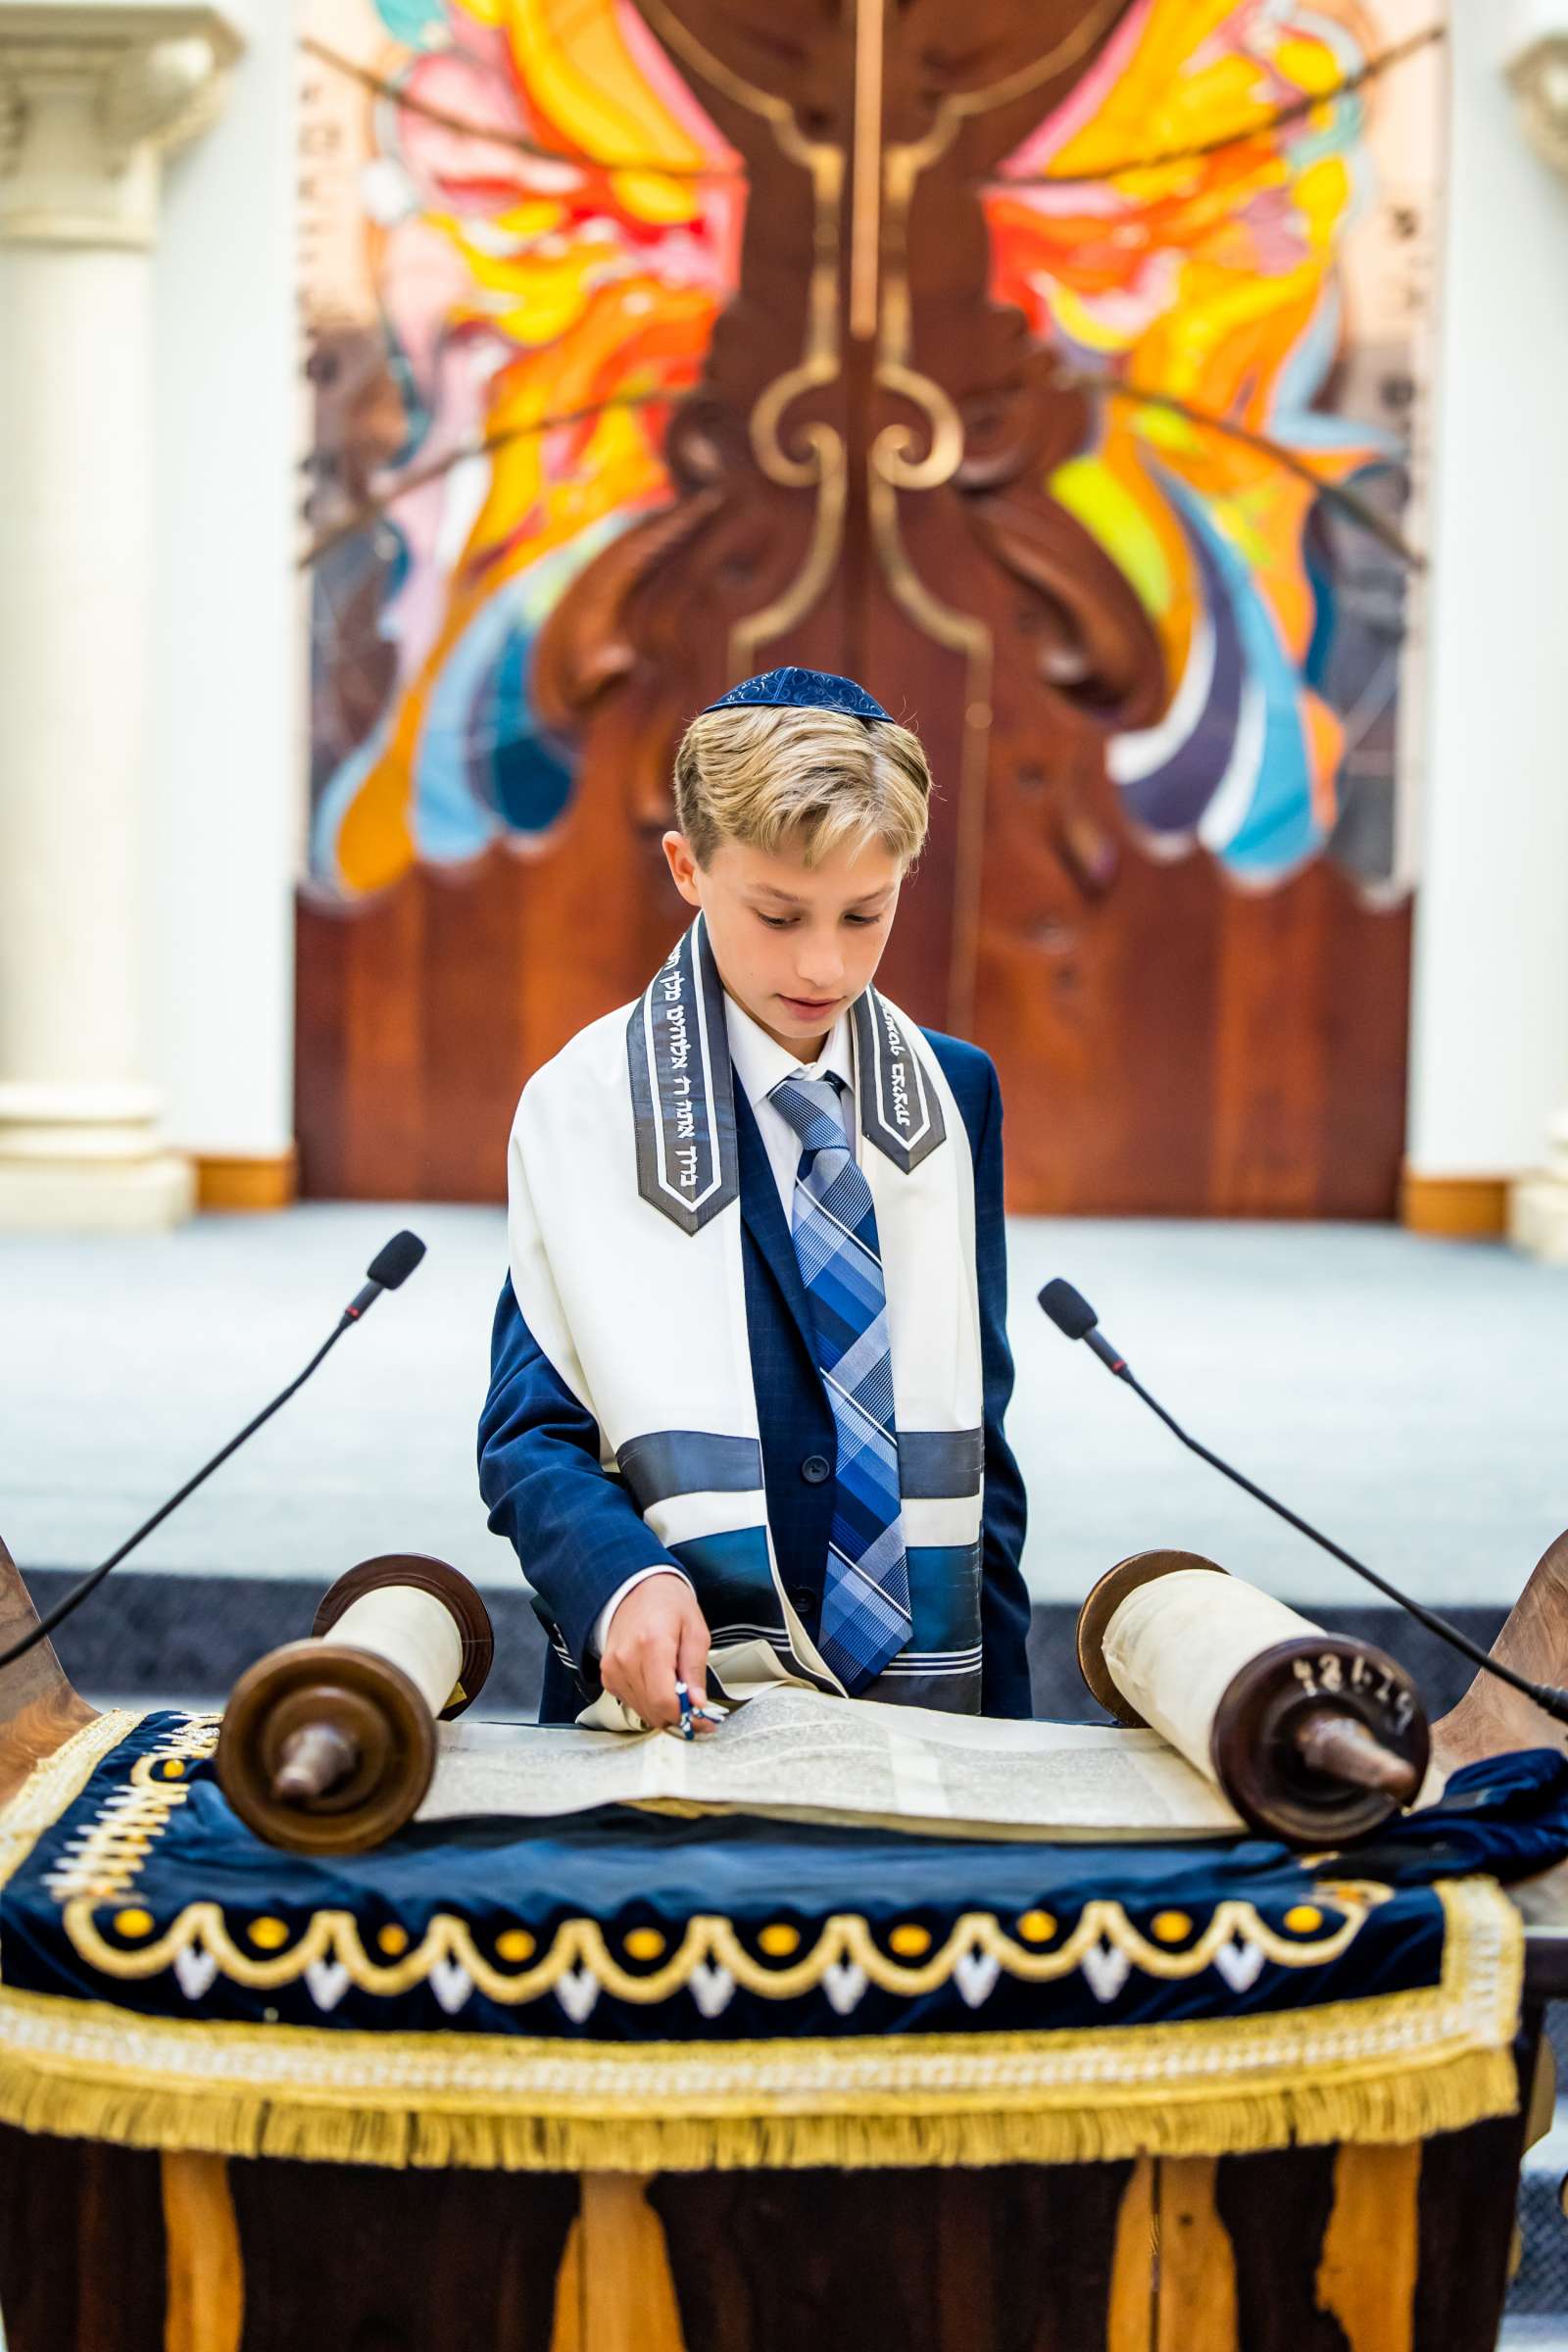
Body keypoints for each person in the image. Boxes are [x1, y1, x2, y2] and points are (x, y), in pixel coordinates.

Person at [477, 666, 1031, 1730]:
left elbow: (980, 1442)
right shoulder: (587, 1105)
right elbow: (528, 1434)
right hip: (673, 1696)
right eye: (777, 915)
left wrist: (1006, 1728)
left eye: (865, 914)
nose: (824, 963)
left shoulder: (954, 1094)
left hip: (925, 1703)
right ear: (688, 867)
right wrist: (622, 1582)